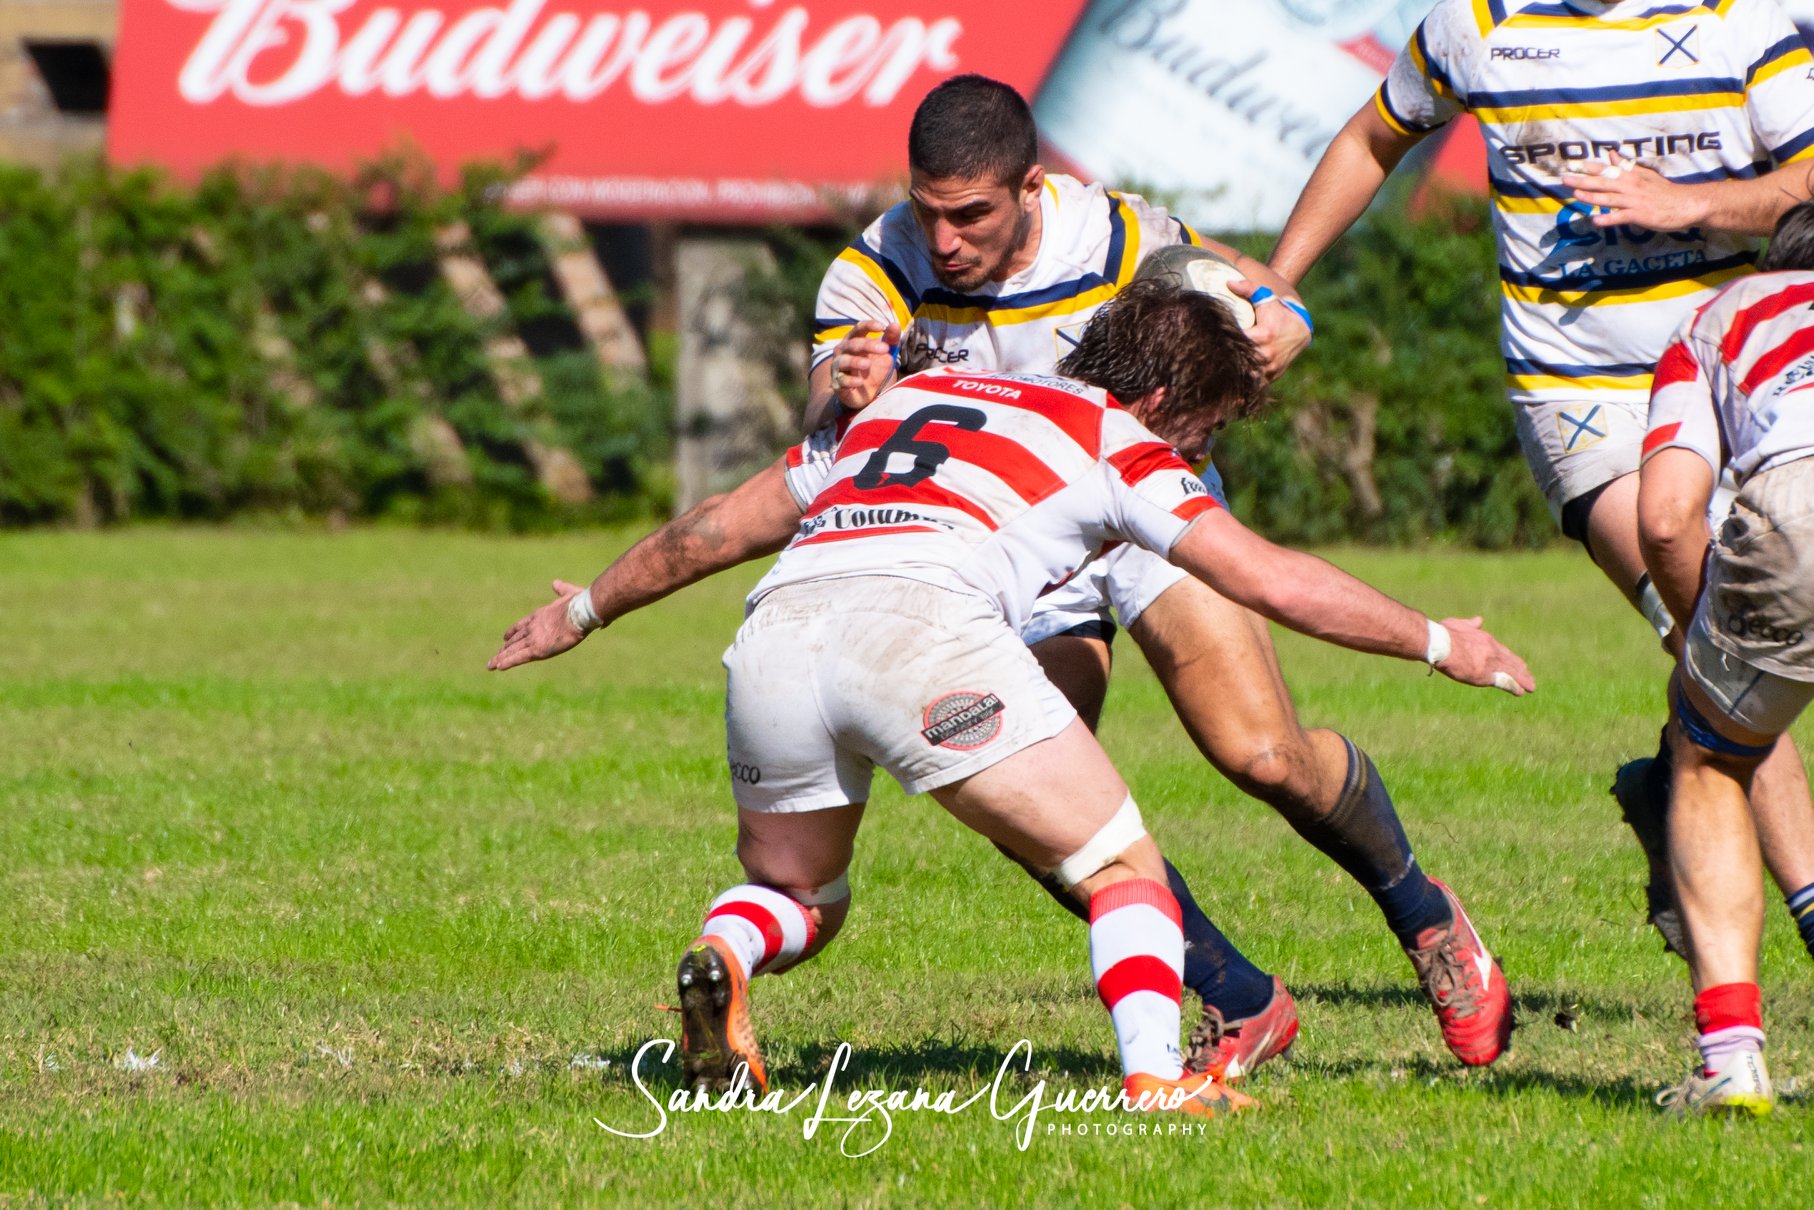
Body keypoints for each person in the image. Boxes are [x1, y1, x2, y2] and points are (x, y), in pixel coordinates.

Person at [489, 280, 1535, 1114]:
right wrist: (1438, 639)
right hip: (920, 634)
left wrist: (582, 610)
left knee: (802, 893)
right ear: (1167, 404)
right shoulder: (1119, 437)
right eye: (1204, 435)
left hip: (776, 635)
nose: (1198, 457)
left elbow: (716, 525)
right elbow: (1267, 577)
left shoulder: (903, 397)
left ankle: (724, 953)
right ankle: (1155, 1083)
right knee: (1118, 862)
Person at [810, 73, 1516, 1075]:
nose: (945, 241)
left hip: (1147, 509)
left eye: (969, 215)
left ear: (1028, 188)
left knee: (1263, 754)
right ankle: (1237, 995)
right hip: (1018, 550)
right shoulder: (874, 268)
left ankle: (1422, 914)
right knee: (1027, 801)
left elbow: (1225, 275)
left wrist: (1278, 310)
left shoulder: (1108, 234)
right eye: (928, 213)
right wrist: (847, 395)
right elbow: (824, 414)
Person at [1267, 0, 1814, 960]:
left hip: (1742, 379)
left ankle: (1670, 785)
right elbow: (1368, 138)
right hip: (1583, 405)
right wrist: (1281, 283)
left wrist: (1692, 204)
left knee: (1732, 669)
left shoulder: (1740, 18)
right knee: (1729, 640)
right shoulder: (1475, 25)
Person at [1637, 200, 1814, 1115]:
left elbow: (1666, 517)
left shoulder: (1726, 313)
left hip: (1796, 508)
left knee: (1708, 759)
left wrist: (1706, 645)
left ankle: (1733, 1060)